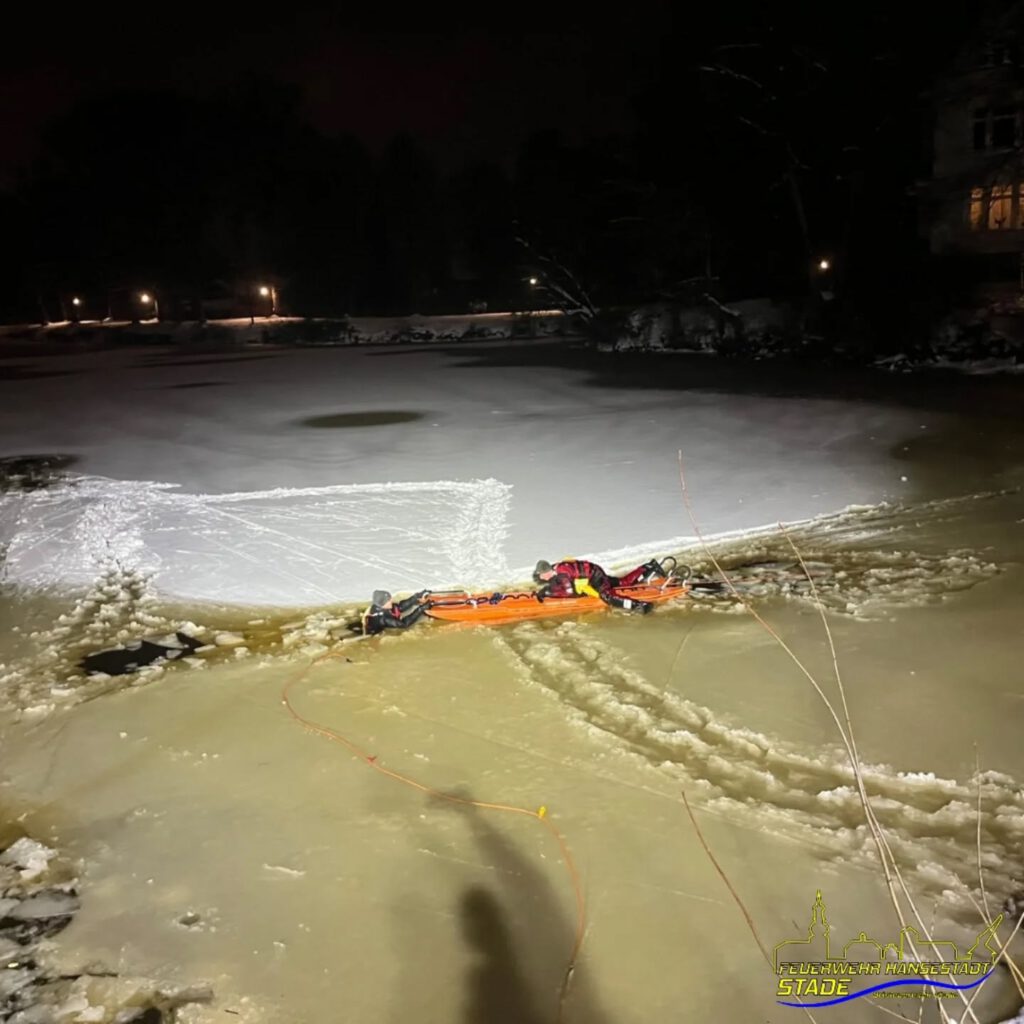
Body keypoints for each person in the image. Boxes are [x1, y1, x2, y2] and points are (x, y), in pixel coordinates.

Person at [532, 557, 670, 613]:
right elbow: (563, 585)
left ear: (547, 571)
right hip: (592, 573)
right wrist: (548, 590)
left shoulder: (561, 573)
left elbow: (568, 592)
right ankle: (649, 567)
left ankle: (641, 606)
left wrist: (547, 592)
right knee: (622, 582)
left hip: (595, 577)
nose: (541, 577)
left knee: (607, 596)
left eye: (542, 575)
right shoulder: (556, 570)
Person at [362, 589, 432, 636]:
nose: (391, 600)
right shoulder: (383, 619)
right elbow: (404, 624)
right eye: (389, 600)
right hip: (371, 633)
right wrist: (420, 609)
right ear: (383, 604)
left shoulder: (381, 605)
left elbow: (399, 607)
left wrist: (416, 597)